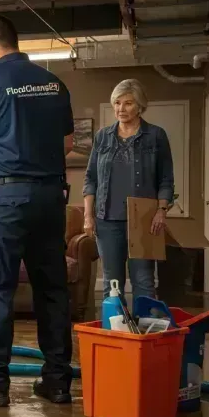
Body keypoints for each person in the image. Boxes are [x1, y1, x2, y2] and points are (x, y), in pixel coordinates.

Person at [0, 14, 75, 407]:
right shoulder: (54, 83)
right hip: (52, 199)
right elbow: (68, 143)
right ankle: (57, 382)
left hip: (7, 201)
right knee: (52, 290)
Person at [82, 79, 174, 302]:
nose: (121, 109)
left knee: (143, 281)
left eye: (128, 103)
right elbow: (90, 178)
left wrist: (162, 210)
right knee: (112, 284)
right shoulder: (103, 137)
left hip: (143, 219)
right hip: (107, 220)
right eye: (117, 103)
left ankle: (143, 334)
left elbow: (166, 179)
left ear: (140, 106)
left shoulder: (155, 136)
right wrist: (88, 215)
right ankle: (115, 333)